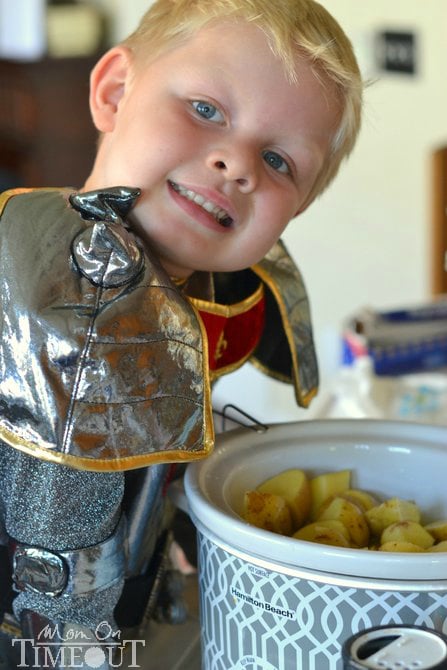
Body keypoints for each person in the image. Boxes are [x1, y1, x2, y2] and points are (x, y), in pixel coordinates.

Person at [0, 0, 363, 666]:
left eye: (279, 160)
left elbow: (170, 442)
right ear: (114, 93)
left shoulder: (216, 289)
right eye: (204, 110)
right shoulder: (55, 291)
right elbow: (53, 550)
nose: (237, 164)